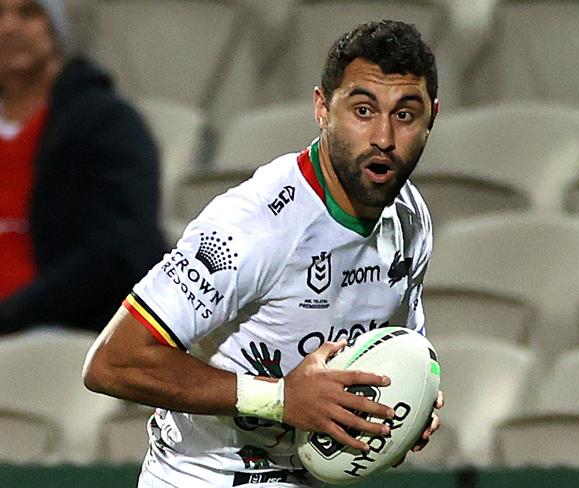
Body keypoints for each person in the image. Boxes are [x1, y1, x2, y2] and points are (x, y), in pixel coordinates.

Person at [84, 20, 443, 488]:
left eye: (404, 115)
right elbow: (114, 361)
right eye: (362, 109)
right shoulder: (253, 226)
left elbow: (398, 348)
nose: (383, 138)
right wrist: (279, 398)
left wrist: (411, 403)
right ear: (322, 108)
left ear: (432, 117)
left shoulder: (411, 218)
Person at [0, 0, 166, 334]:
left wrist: (14, 314)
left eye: (29, 13)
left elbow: (118, 249)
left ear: (55, 26)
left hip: (61, 329)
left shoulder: (108, 122)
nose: (9, 27)